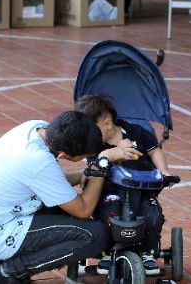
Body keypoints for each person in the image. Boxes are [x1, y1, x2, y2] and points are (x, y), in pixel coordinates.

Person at [0, 110, 140, 283]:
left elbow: (49, 182)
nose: (88, 159)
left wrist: (86, 173)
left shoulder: (35, 128)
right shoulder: (37, 159)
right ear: (64, 155)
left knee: (70, 214)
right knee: (94, 235)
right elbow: (83, 210)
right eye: (85, 157)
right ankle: (6, 272)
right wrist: (102, 164)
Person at [74, 94, 173, 276]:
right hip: (109, 192)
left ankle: (147, 253)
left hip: (141, 190)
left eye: (92, 131)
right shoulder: (95, 146)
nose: (89, 137)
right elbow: (93, 167)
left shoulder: (136, 132)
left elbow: (154, 151)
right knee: (108, 216)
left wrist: (164, 171)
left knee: (152, 216)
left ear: (107, 123)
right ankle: (106, 252)